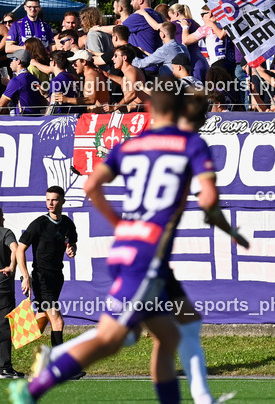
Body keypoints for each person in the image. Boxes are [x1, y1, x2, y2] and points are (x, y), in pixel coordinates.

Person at [8, 89, 244, 404]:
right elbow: (209, 198)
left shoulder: (131, 145)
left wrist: (120, 223)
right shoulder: (191, 145)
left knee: (173, 332)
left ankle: (200, 396)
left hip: (128, 251)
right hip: (147, 258)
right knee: (112, 339)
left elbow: (91, 184)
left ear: (148, 108)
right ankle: (36, 385)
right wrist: (226, 228)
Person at [14, 187, 77, 354]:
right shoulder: (39, 224)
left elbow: (72, 243)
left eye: (54, 199)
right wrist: (25, 277)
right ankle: (58, 364)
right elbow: (20, 249)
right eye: (48, 199)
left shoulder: (67, 224)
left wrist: (72, 250)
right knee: (57, 321)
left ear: (62, 201)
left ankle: (9, 341)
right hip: (41, 278)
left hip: (57, 277)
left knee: (41, 318)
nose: (50, 203)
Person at [0, 206, 23, 379]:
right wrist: (12, 267)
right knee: (4, 326)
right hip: (3, 286)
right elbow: (16, 249)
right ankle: (5, 367)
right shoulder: (5, 233)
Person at [0, 50, 47, 116]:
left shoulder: (16, 81)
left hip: (22, 120)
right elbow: (43, 103)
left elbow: (1, 104)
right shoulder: (35, 79)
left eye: (12, 59)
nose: (11, 62)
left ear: (18, 61)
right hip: (35, 119)